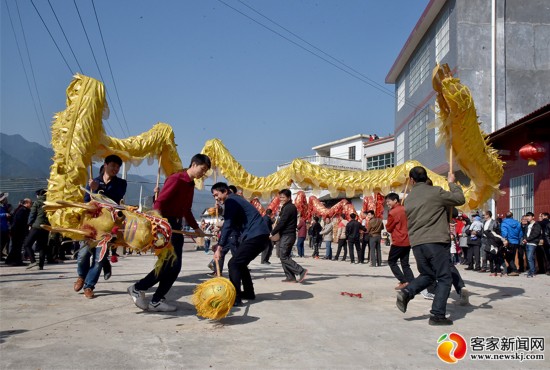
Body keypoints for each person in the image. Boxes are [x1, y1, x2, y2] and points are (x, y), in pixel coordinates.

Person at [128, 154, 209, 311]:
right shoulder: (176, 179)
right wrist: (158, 224)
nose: (203, 173)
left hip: (177, 226)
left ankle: (156, 300)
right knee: (167, 264)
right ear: (193, 164)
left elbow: (186, 210)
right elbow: (160, 202)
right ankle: (138, 288)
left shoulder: (190, 185)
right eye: (202, 169)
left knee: (175, 267)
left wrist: (196, 228)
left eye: (205, 171)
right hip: (165, 224)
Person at [395, 166, 465, 326]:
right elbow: (459, 199)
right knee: (445, 278)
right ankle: (437, 315)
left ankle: (408, 291)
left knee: (428, 275)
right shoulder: (436, 192)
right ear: (426, 177)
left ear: (411, 180)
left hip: (417, 243)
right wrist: (452, 183)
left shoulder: (409, 198)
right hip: (436, 241)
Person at [74, 155, 127, 299]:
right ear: (105, 165)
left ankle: (89, 286)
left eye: (118, 167)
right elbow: (86, 201)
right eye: (113, 166)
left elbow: (116, 199)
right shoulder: (92, 182)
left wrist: (100, 189)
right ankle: (81, 277)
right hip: (91, 225)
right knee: (83, 254)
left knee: (99, 258)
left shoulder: (121, 183)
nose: (115, 169)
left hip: (107, 226)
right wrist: (92, 192)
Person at [211, 182, 270, 306]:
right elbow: (232, 226)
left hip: (256, 235)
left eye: (217, 195)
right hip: (259, 236)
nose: (216, 198)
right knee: (240, 263)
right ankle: (248, 293)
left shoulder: (231, 201)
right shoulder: (235, 201)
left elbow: (228, 224)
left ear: (225, 191)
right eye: (214, 196)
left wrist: (220, 246)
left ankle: (235, 298)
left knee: (233, 264)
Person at [270, 189, 308, 283]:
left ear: (289, 197)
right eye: (280, 197)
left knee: (283, 256)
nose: (281, 199)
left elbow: (282, 222)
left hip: (288, 235)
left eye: (283, 197)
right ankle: (290, 277)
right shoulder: (286, 207)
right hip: (286, 235)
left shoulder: (289, 208)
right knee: (284, 256)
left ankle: (301, 271)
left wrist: (273, 232)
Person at [385, 193, 414, 290]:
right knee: (405, 263)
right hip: (408, 239)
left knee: (392, 261)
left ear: (395, 200)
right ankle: (412, 283)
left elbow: (389, 228)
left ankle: (403, 281)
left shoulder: (393, 212)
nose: (387, 204)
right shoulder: (405, 209)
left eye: (388, 201)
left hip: (398, 240)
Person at [23, 189, 52, 270]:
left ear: (38, 195)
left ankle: (33, 261)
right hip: (46, 227)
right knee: (42, 247)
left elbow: (32, 214)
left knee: (27, 244)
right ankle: (41, 265)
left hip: (37, 226)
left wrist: (29, 224)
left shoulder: (37, 202)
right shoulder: (50, 203)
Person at [5, 198, 32, 266]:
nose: (31, 204)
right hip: (17, 231)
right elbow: (19, 222)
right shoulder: (22, 210)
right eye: (30, 203)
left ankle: (10, 260)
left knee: (16, 247)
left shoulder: (22, 209)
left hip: (17, 231)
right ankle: (16, 261)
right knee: (17, 247)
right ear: (26, 203)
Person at [500, 211, 522, 276]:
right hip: (516, 241)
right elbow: (520, 233)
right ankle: (510, 269)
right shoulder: (517, 223)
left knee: (508, 256)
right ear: (512, 216)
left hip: (509, 241)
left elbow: (504, 232)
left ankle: (514, 270)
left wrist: (504, 239)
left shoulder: (504, 223)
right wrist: (518, 239)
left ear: (505, 216)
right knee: (512, 256)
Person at [521, 212, 542, 278]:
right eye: (527, 216)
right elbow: (525, 233)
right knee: (530, 258)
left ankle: (532, 272)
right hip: (527, 243)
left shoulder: (537, 225)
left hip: (533, 243)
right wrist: (524, 239)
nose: (527, 218)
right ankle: (531, 270)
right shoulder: (527, 225)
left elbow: (536, 234)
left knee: (530, 258)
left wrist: (527, 239)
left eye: (529, 216)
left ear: (533, 217)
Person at [0, 192, 12, 260]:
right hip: (1, 227)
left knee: (5, 241)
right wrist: (4, 214)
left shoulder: (3, 206)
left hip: (4, 227)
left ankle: (0, 254)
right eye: (4, 199)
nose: (5, 199)